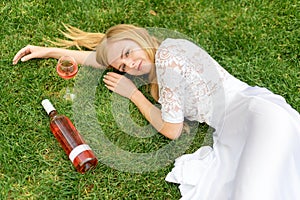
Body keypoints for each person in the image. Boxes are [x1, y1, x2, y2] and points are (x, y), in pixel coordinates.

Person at [13, 24, 300, 199]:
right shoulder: (160, 54)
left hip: (258, 117)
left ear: (139, 38)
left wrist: (134, 94)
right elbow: (100, 59)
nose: (130, 66)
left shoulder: (168, 60)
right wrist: (47, 50)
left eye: (128, 54)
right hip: (238, 129)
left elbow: (172, 130)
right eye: (122, 66)